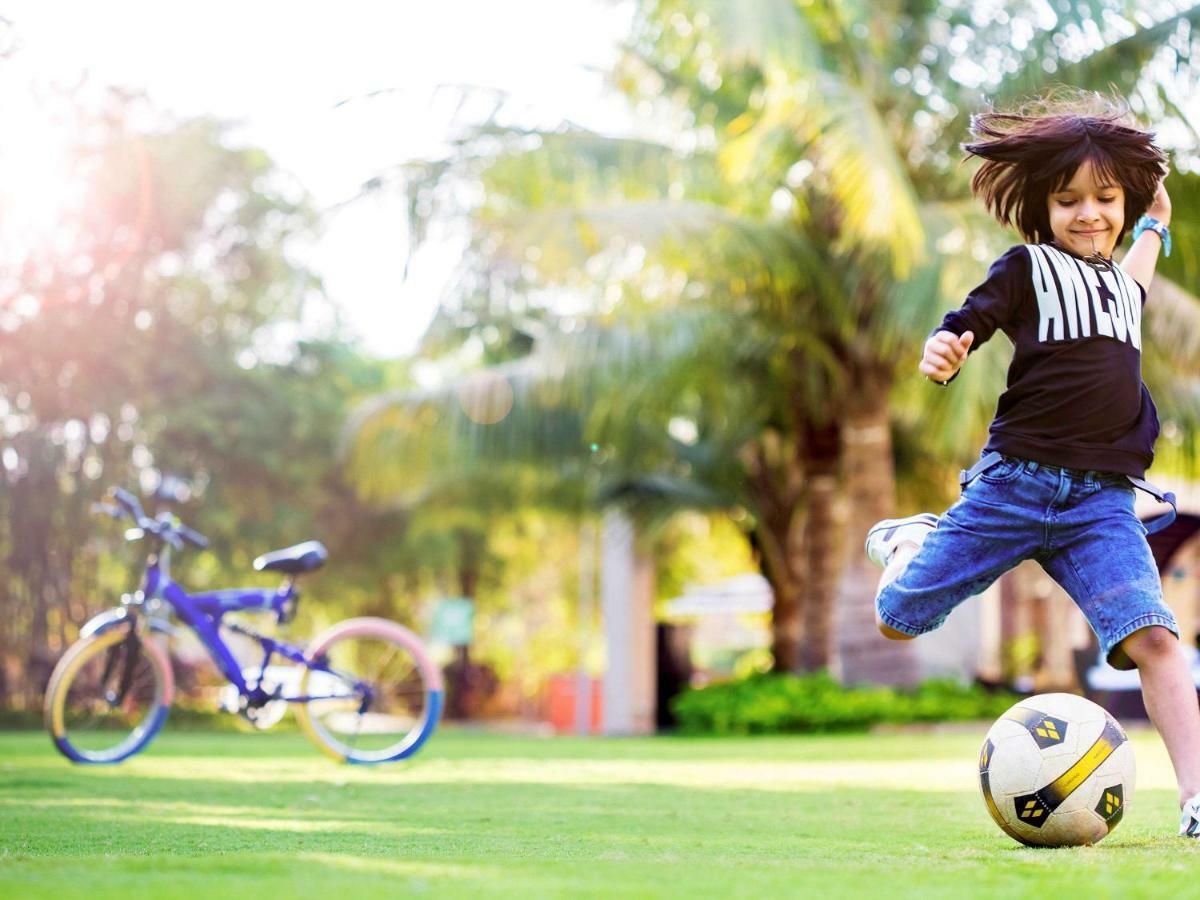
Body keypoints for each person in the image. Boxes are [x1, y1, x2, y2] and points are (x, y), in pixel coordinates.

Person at [863, 93, 1200, 836]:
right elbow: (969, 320)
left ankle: (1195, 800)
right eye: (1070, 200)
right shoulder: (1028, 268)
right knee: (897, 617)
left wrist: (1153, 222)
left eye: (1106, 200)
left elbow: (1141, 253)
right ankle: (911, 538)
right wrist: (946, 349)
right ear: (1042, 207)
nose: (1089, 214)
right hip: (1016, 485)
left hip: (1102, 505)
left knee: (1156, 639)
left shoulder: (1125, 287)